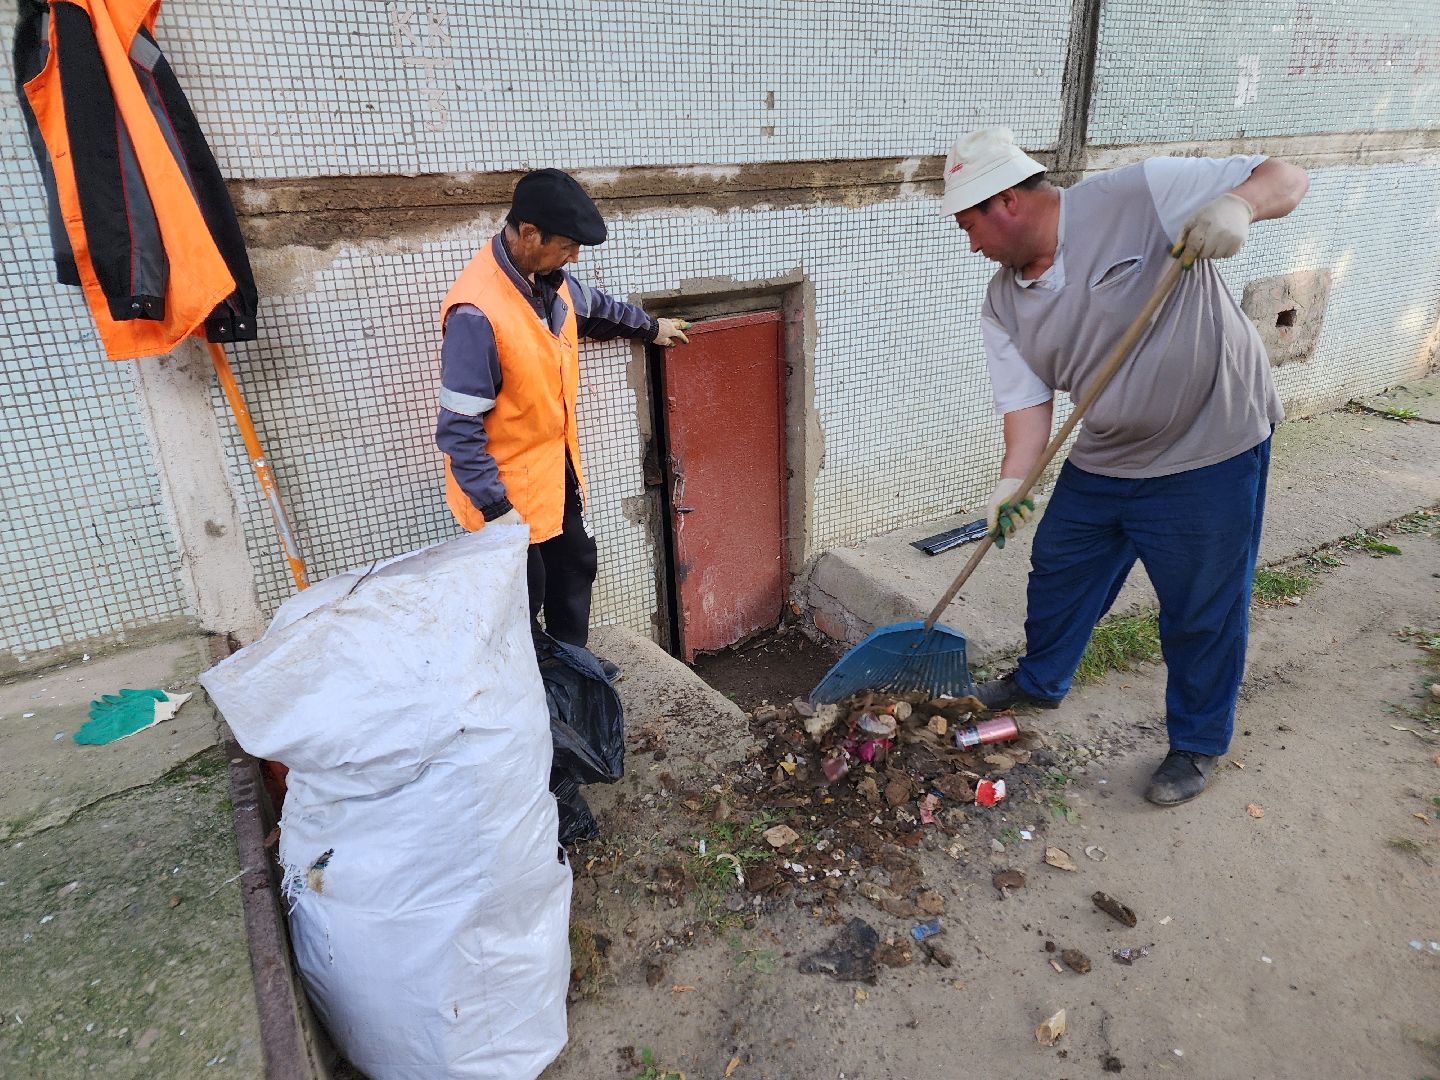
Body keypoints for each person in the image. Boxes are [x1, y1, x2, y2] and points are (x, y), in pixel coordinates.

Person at [942, 127, 1309, 806]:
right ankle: (1039, 682)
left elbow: (1285, 176)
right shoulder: (1003, 304)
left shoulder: (1136, 195)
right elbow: (1027, 420)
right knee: (1058, 567)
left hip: (1210, 446)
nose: (972, 246)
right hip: (1107, 453)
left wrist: (1238, 206)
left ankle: (1197, 744)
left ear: (1008, 204)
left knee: (1201, 606)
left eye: (971, 227)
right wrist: (1007, 489)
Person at [436, 168, 690, 662]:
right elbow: (458, 430)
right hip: (503, 494)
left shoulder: (550, 281)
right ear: (529, 233)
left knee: (575, 564)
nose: (574, 257)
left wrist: (651, 327)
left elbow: (599, 311)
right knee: (522, 599)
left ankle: (573, 669)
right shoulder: (477, 313)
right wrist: (497, 511)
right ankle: (536, 702)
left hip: (553, 474)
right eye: (568, 246)